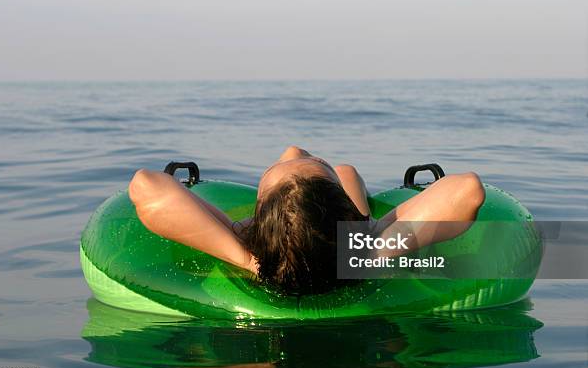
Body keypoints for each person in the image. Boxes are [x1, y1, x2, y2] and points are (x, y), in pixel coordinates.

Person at [128, 146, 485, 294]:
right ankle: (349, 210)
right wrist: (367, 252)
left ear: (259, 208)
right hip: (343, 243)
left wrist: (248, 259)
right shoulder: (354, 244)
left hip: (333, 243)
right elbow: (467, 189)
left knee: (304, 158)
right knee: (327, 164)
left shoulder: (247, 238)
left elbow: (146, 185)